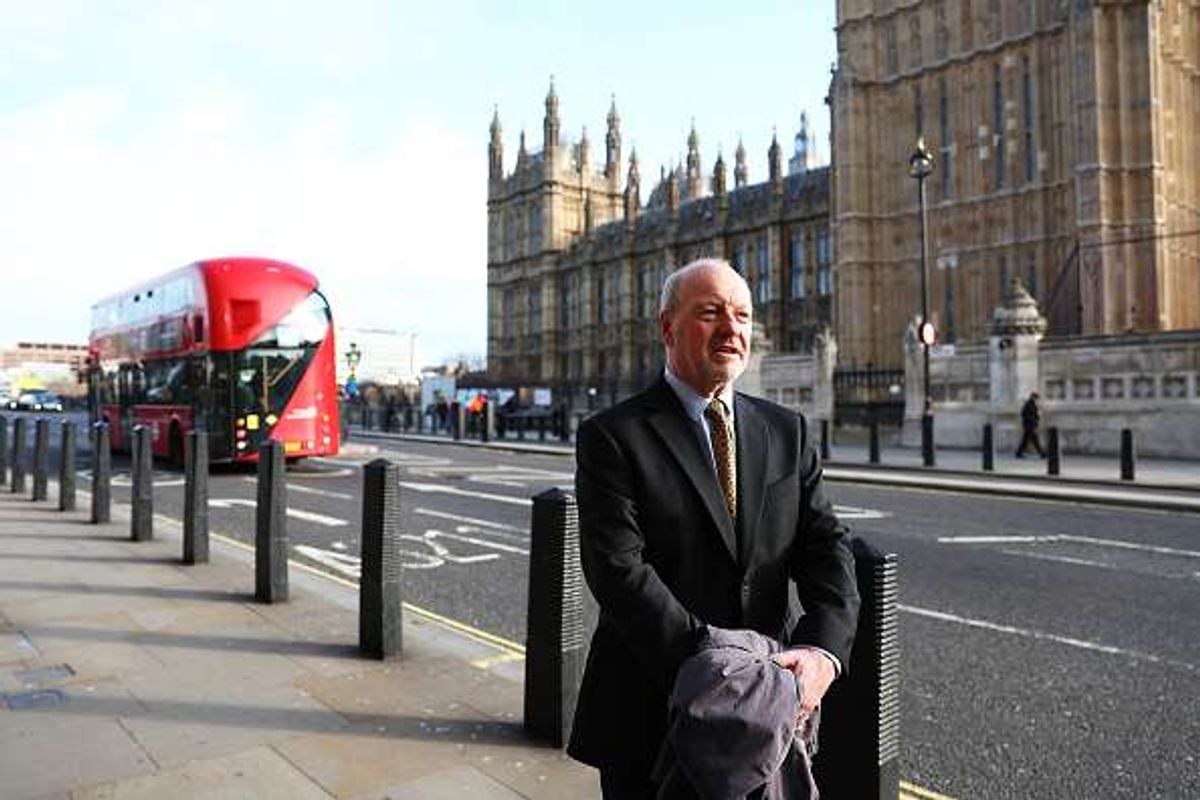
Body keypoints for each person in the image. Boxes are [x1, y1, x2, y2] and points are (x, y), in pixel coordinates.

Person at [568, 258, 861, 798]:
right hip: (652, 710)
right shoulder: (613, 435)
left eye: (743, 315)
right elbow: (617, 570)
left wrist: (823, 654)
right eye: (710, 313)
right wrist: (718, 667)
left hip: (769, 712)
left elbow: (827, 548)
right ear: (667, 328)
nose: (732, 329)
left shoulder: (785, 430)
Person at [1016, 391, 1045, 458]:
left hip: (1030, 425)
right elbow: (1024, 414)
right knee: (1035, 440)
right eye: (1036, 398)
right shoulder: (1029, 404)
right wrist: (1034, 418)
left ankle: (1019, 453)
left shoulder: (1032, 404)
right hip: (1029, 425)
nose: (1037, 400)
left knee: (1025, 441)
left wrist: (1037, 417)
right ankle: (1042, 453)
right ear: (1033, 397)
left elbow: (1034, 414)